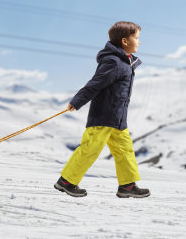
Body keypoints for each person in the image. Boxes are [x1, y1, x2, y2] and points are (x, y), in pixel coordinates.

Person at [54, 21, 150, 198]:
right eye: (136, 38)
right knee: (90, 149)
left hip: (118, 119)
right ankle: (66, 182)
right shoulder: (114, 63)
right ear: (124, 41)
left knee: (125, 150)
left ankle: (127, 185)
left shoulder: (125, 63)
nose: (139, 41)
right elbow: (95, 84)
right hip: (104, 117)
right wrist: (78, 101)